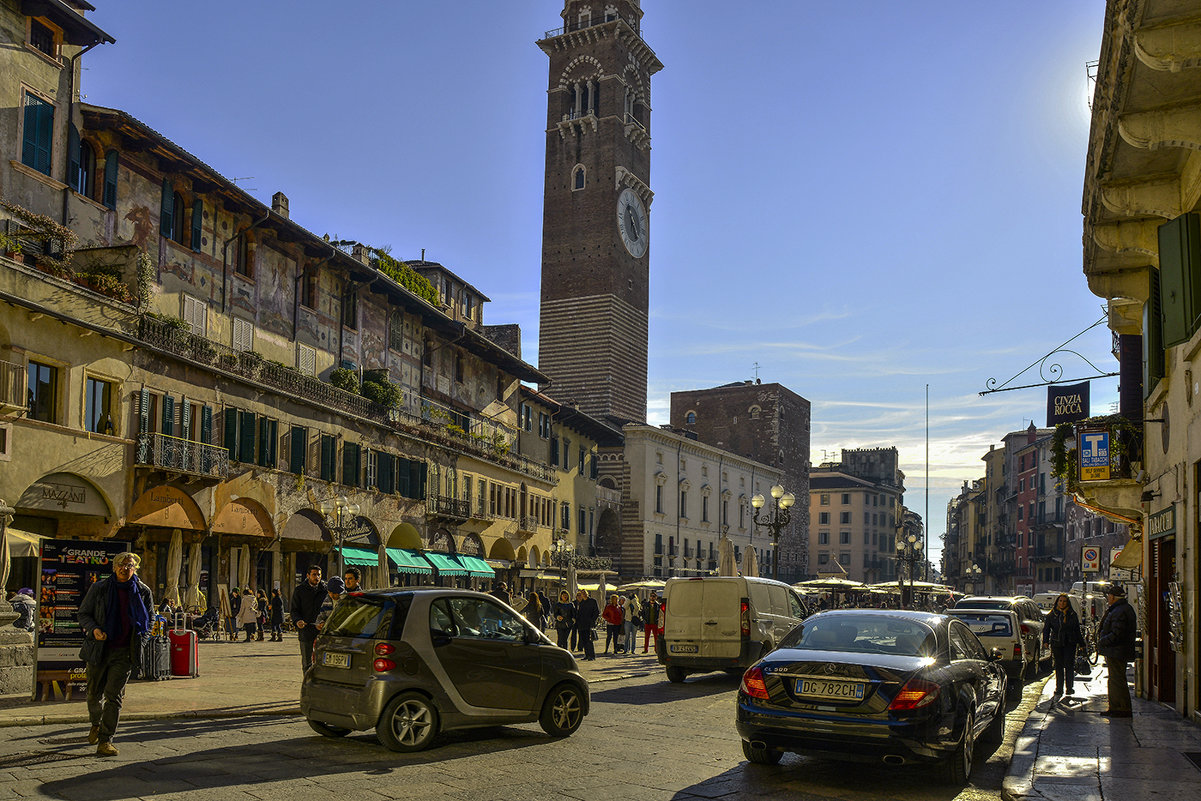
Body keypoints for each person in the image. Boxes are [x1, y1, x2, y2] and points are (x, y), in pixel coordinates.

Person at [77, 551, 154, 757]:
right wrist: (94, 629)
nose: (124, 568)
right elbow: (83, 614)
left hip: (124, 653)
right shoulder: (99, 588)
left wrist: (142, 640)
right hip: (99, 650)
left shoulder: (143, 591)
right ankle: (96, 722)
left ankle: (105, 740)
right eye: (121, 565)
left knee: (114, 697)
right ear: (114, 567)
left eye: (129, 565)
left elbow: (150, 619)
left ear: (135, 569)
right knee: (93, 694)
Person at [1096, 584, 1137, 718]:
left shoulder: (1120, 611)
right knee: (1115, 679)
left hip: (1117, 651)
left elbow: (1117, 633)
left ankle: (1121, 707)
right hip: (1116, 650)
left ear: (1112, 597)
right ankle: (1116, 706)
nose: (1108, 598)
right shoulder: (1120, 609)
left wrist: (1103, 640)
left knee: (1117, 680)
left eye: (1109, 596)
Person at [1043, 593, 1085, 696]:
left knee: (1069, 666)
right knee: (1058, 666)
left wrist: (1082, 643)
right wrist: (1045, 641)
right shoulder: (1052, 614)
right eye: (1060, 601)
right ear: (1057, 602)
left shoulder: (1072, 614)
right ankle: (1059, 688)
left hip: (1070, 643)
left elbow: (1077, 630)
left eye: (1064, 601)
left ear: (1067, 603)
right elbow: (1046, 629)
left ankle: (1069, 688)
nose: (1062, 603)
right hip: (1057, 643)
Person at [290, 565, 327, 671]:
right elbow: (294, 609)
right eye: (314, 575)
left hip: (321, 630)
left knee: (322, 661)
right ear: (308, 575)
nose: (317, 577)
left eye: (318, 575)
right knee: (307, 662)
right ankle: (307, 683)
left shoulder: (325, 590)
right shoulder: (300, 590)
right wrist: (297, 621)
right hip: (305, 630)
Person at [575, 589, 600, 661]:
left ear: (587, 593)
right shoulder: (581, 603)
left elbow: (596, 612)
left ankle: (592, 655)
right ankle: (587, 654)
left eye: (585, 593)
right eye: (582, 594)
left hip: (589, 624)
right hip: (581, 624)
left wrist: (592, 621)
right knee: (584, 640)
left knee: (589, 640)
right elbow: (579, 613)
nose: (584, 594)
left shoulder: (592, 601)